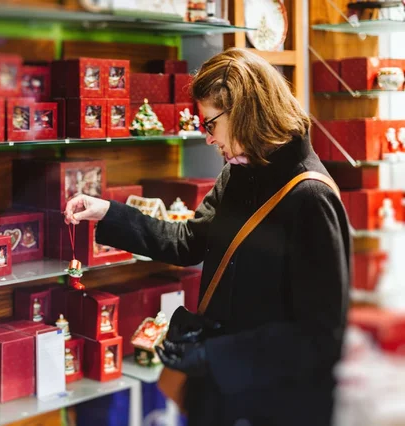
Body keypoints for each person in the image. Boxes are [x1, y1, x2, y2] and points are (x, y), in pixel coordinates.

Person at [64, 47, 351, 426]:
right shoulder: (240, 174)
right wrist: (110, 213)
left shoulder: (311, 197)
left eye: (210, 124)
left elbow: (320, 336)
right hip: (223, 395)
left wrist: (217, 356)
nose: (209, 139)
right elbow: (189, 241)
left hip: (277, 404)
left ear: (244, 111)